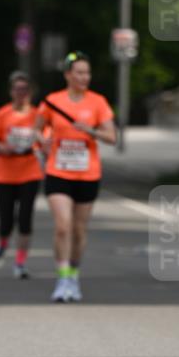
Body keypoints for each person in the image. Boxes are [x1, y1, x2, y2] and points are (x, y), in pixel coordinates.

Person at [35, 51, 116, 302]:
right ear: (68, 74)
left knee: (79, 230)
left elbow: (112, 138)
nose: (84, 77)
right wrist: (43, 142)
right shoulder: (52, 101)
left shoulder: (98, 102)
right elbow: (36, 129)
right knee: (63, 227)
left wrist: (91, 131)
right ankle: (61, 278)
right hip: (58, 171)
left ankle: (73, 276)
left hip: (87, 173)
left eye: (87, 73)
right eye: (79, 72)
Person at [0, 71, 43, 279]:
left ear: (31, 92)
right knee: (6, 221)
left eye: (25, 90)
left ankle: (20, 262)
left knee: (25, 219)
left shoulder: (38, 116)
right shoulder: (2, 114)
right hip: (4, 174)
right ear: (11, 92)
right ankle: (2, 244)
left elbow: (45, 140)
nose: (21, 93)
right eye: (17, 89)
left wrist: (44, 145)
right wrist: (3, 147)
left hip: (29, 172)